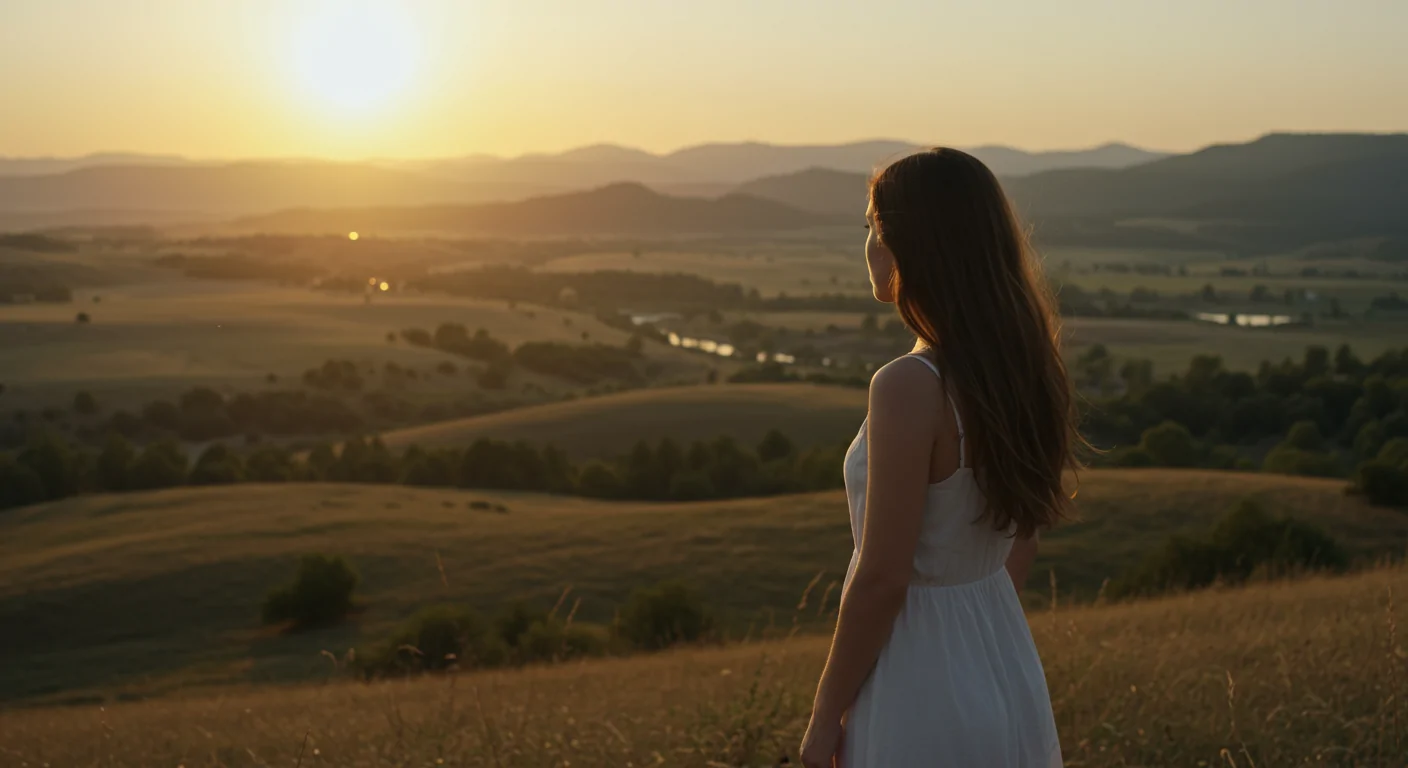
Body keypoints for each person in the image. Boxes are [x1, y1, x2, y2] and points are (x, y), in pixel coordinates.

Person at [800, 148, 1077, 767]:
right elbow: (1020, 539)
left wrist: (824, 716)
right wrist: (973, 627)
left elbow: (882, 577)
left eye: (872, 226)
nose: (868, 242)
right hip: (1003, 660)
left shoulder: (909, 385)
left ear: (911, 243)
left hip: (914, 677)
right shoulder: (1023, 372)